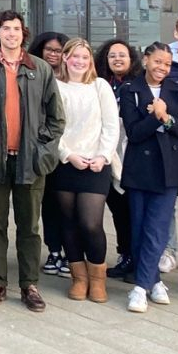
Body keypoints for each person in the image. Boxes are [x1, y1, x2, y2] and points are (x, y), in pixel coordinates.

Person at [0, 10, 64, 313]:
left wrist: (42, 149)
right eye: (5, 29)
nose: (11, 33)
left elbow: (56, 118)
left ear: (24, 33)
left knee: (29, 226)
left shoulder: (41, 69)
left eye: (16, 29)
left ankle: (29, 284)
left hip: (30, 161)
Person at [119, 41, 178, 313]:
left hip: (169, 169)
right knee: (139, 227)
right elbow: (135, 132)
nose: (162, 67)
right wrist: (156, 117)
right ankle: (153, 281)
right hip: (140, 169)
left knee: (158, 228)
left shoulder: (177, 90)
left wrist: (166, 118)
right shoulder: (130, 90)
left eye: (167, 63)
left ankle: (140, 288)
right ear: (145, 60)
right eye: (157, 62)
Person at [52, 38, 119, 303]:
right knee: (68, 223)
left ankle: (97, 279)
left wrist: (103, 156)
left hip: (96, 164)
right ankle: (78, 278)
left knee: (91, 224)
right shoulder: (55, 86)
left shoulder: (100, 86)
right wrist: (67, 154)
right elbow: (50, 126)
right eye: (74, 56)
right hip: (66, 163)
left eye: (84, 57)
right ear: (65, 58)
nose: (79, 61)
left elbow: (111, 125)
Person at [95, 38, 143, 281]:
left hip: (133, 159)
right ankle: (125, 255)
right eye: (112, 55)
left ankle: (139, 259)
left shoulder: (139, 84)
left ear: (131, 58)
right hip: (107, 157)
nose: (117, 59)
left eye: (122, 55)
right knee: (118, 212)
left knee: (135, 212)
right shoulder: (100, 84)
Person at [30, 31, 70, 279]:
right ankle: (54, 250)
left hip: (71, 152)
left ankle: (69, 252)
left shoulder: (76, 77)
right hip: (44, 149)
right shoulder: (35, 73)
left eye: (59, 50)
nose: (54, 54)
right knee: (49, 206)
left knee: (68, 207)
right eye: (49, 49)